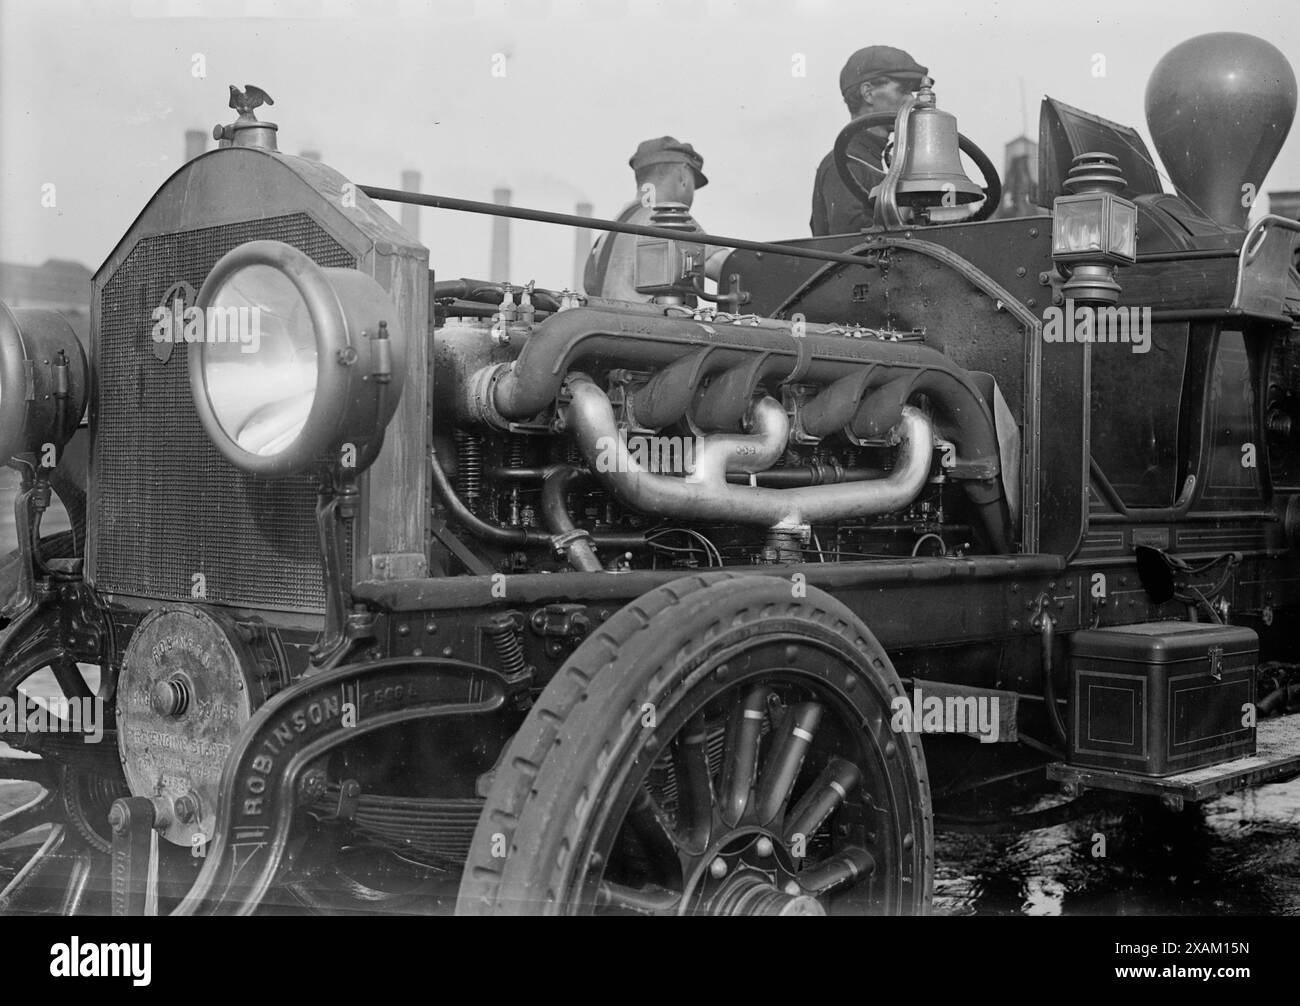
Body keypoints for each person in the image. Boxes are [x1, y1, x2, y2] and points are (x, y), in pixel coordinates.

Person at [584, 136, 726, 301]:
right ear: (683, 176)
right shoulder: (670, 218)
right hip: (645, 324)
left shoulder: (612, 228)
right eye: (693, 186)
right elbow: (731, 270)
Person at [810, 46, 928, 236]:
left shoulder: (873, 162)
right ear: (868, 93)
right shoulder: (843, 163)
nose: (911, 100)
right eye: (903, 91)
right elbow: (852, 240)